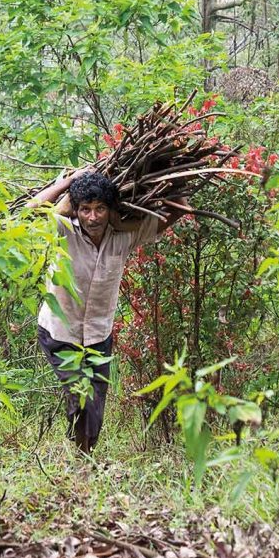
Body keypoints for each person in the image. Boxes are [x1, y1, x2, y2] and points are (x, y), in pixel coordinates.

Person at [31, 170, 187, 454]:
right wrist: (66, 183)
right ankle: (81, 456)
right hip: (60, 332)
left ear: (110, 210)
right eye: (86, 209)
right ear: (75, 209)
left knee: (96, 403)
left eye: (100, 208)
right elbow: (30, 210)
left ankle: (83, 455)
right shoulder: (63, 228)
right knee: (81, 397)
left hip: (98, 335)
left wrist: (170, 176)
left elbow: (180, 208)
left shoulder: (124, 236)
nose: (93, 217)